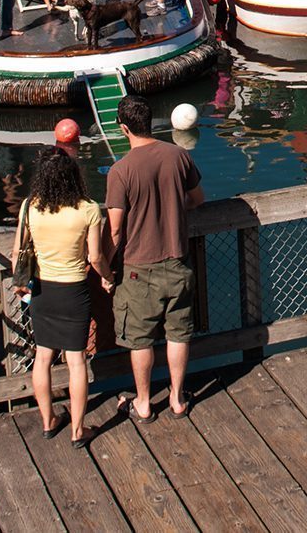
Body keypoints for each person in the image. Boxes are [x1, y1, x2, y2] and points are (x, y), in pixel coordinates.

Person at [105, 96, 204, 423]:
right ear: (151, 122)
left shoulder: (121, 171)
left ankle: (144, 403)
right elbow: (196, 199)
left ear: (123, 128)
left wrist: (106, 268)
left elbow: (116, 229)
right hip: (178, 260)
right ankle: (177, 399)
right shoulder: (178, 156)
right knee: (178, 333)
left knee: (141, 338)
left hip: (138, 269)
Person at [20, 146, 108, 445]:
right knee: (76, 361)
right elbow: (95, 257)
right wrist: (108, 277)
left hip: (43, 290)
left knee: (43, 357)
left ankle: (48, 421)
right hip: (74, 290)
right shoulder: (88, 209)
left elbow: (19, 250)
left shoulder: (30, 207)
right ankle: (77, 430)